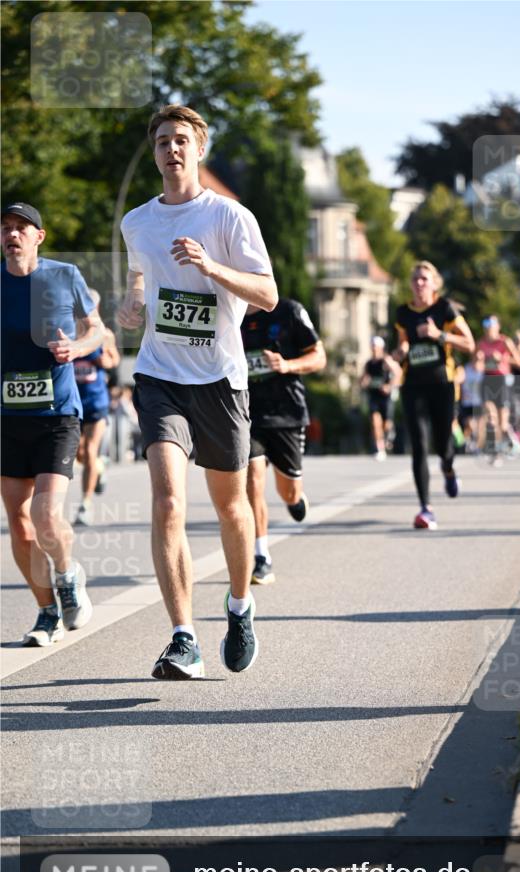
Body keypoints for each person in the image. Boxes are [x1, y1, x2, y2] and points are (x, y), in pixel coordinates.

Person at [118, 105, 278, 679]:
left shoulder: (230, 218)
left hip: (220, 381)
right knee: (166, 500)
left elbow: (267, 295)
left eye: (181, 140)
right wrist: (131, 305)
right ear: (155, 152)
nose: (171, 149)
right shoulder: (137, 222)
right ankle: (183, 636)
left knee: (231, 508)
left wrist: (212, 268)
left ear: (199, 150)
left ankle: (239, 607)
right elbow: (139, 279)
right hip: (161, 376)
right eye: (162, 141)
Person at [1, 202, 102, 645]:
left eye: (21, 228)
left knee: (44, 514)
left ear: (39, 236)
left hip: (57, 412)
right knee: (19, 524)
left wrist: (77, 349)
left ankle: (67, 573)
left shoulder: (64, 276)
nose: (12, 235)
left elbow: (97, 329)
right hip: (7, 417)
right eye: (5, 228)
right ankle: (46, 613)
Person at [241, 298, 326, 585]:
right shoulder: (230, 312)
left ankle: (295, 498)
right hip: (248, 414)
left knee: (288, 492)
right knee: (253, 479)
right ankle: (261, 555)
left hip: (287, 414)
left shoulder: (289, 311)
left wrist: (286, 365)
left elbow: (319, 356)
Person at [394, 260, 475, 529]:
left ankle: (449, 469)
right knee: (418, 445)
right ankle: (425, 509)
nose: (419, 283)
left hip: (442, 384)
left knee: (443, 445)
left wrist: (439, 335)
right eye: (415, 279)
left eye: (424, 279)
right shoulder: (402, 313)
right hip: (413, 384)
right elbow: (402, 344)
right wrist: (400, 353)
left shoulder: (445, 309)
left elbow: (469, 344)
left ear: (434, 284)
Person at [73, 290, 120, 526]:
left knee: (90, 451)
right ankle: (99, 467)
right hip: (73, 402)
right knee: (78, 453)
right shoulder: (69, 332)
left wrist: (104, 361)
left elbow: (115, 361)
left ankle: (85, 505)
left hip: (96, 401)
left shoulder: (104, 335)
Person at [475, 315, 520, 464]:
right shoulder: (481, 343)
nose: (489, 326)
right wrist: (479, 360)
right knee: (491, 418)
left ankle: (510, 437)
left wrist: (502, 358)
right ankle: (495, 452)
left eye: (492, 323)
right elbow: (476, 366)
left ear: (498, 326)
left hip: (501, 381)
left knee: (502, 424)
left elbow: (519, 361)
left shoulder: (505, 341)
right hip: (487, 380)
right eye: (486, 323)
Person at [360, 335, 401, 460]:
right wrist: (364, 382)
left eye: (376, 347)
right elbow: (363, 378)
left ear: (381, 347)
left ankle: (389, 433)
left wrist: (389, 386)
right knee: (375, 422)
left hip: (386, 397)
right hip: (374, 396)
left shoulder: (386, 360)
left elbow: (398, 373)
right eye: (372, 347)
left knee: (386, 424)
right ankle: (380, 449)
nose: (374, 349)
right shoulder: (368, 363)